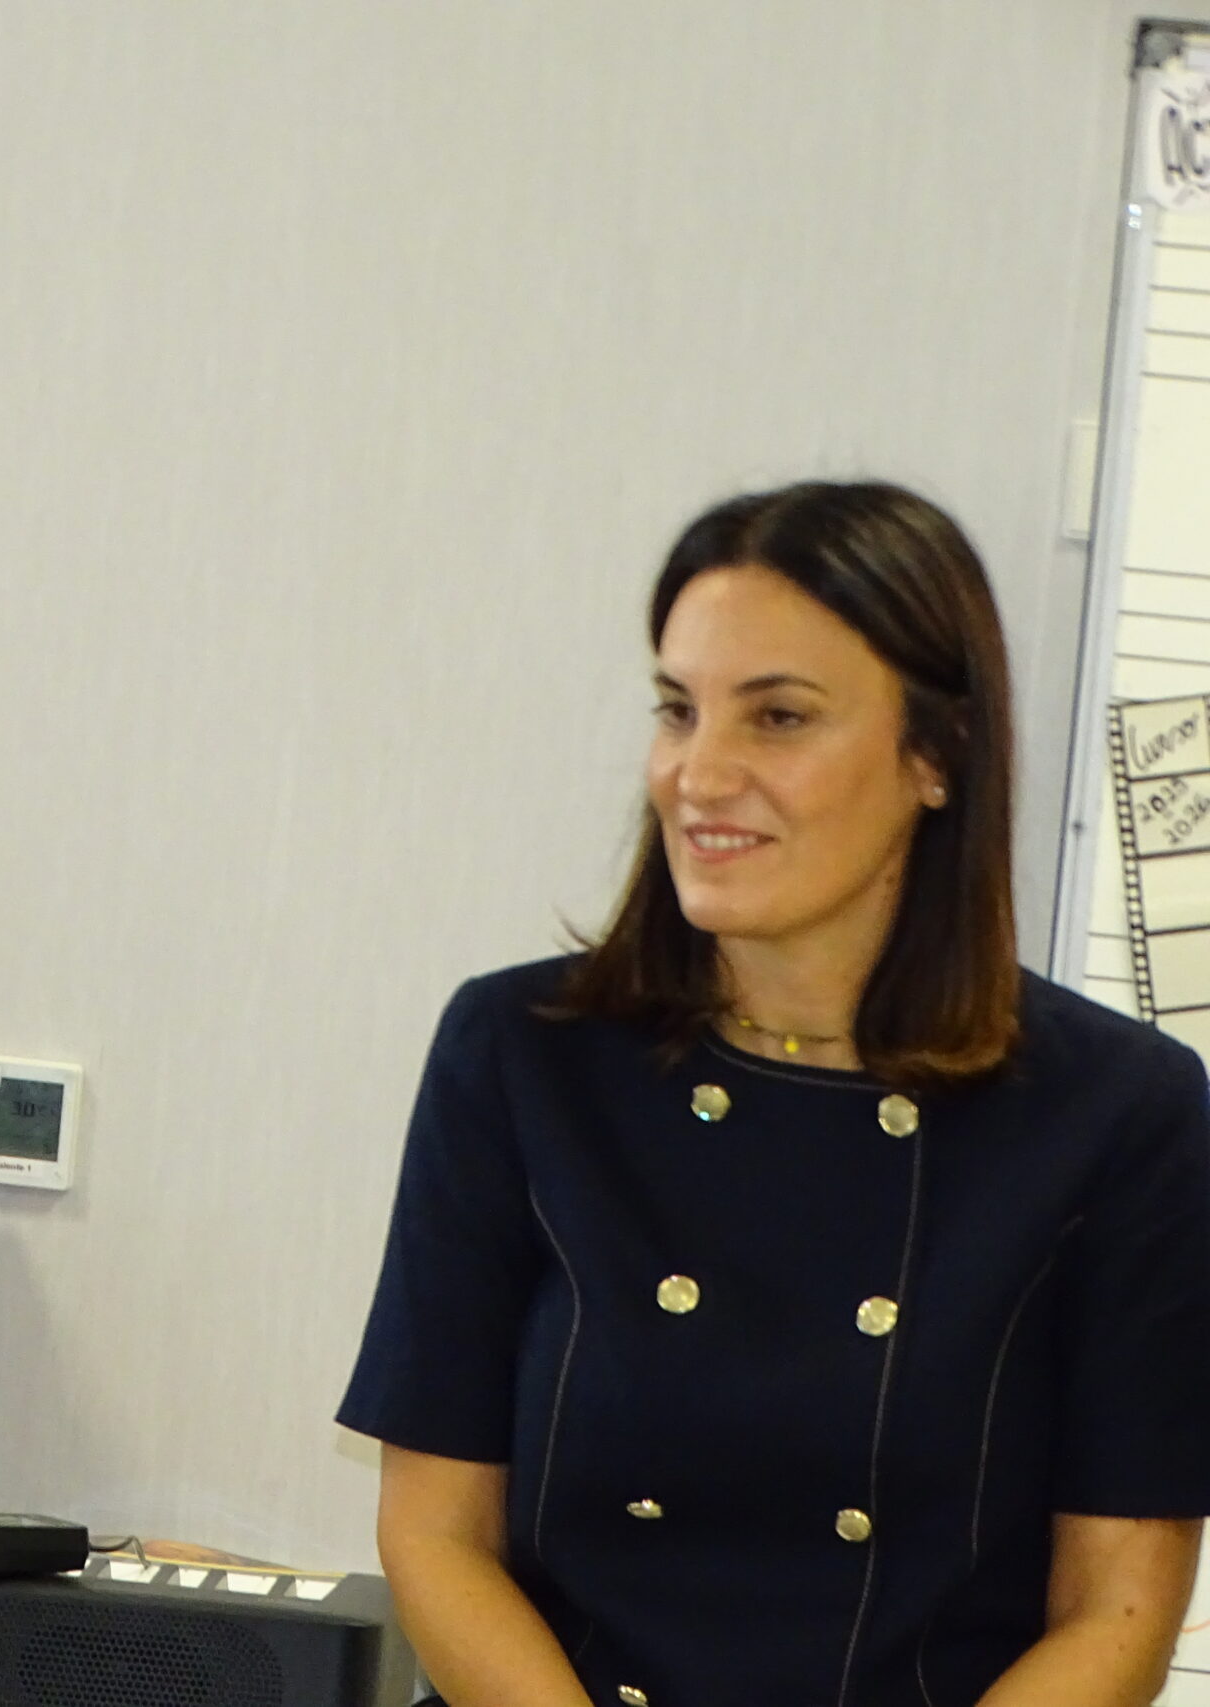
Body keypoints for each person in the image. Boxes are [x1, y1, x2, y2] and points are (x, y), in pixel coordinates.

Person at [338, 482, 1210, 1707]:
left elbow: (1117, 1610)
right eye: (677, 710)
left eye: (778, 718)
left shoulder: (1118, 1112)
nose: (698, 774)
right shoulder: (518, 1055)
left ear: (936, 755)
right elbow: (435, 1533)